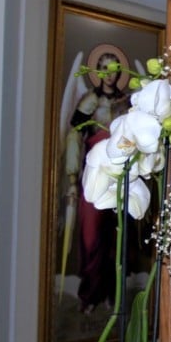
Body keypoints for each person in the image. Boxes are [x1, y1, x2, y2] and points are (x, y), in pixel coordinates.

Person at [65, 46, 131, 313]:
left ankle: (114, 296)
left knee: (117, 235)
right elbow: (74, 134)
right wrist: (72, 176)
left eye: (114, 70)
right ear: (98, 72)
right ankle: (90, 295)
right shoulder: (89, 101)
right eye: (104, 70)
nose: (109, 75)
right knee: (91, 236)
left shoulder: (126, 102)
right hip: (94, 173)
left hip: (121, 176)